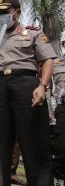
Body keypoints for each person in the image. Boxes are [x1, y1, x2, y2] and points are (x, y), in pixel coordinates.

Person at [0, 0, 56, 186]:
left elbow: (47, 60)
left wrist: (43, 86)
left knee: (34, 142)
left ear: (17, 12)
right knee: (0, 144)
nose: (1, 16)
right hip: (0, 87)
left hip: (26, 84)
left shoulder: (33, 33)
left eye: (5, 12)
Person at [51, 32, 65, 185]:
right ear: (62, 45)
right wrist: (50, 110)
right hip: (62, 107)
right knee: (61, 146)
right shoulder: (56, 64)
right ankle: (59, 178)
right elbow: (48, 88)